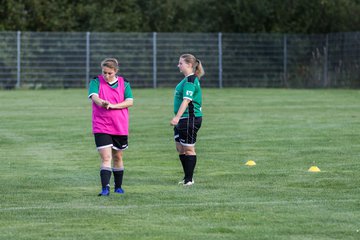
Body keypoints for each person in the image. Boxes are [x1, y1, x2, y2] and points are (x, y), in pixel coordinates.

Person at [88, 58, 134, 196]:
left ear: (115, 71)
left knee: (118, 157)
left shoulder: (124, 83)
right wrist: (102, 102)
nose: (106, 76)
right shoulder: (96, 81)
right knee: (106, 157)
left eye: (109, 73)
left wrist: (113, 106)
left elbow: (129, 101)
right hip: (101, 125)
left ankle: (118, 187)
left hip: (119, 125)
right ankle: (105, 189)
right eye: (104, 72)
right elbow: (94, 97)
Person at [170, 53, 204, 186]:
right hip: (183, 120)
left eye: (181, 63)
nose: (178, 65)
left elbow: (187, 100)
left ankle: (189, 180)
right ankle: (186, 177)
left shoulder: (191, 80)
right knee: (180, 148)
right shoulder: (186, 79)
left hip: (189, 119)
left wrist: (177, 117)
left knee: (189, 149)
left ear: (189, 65)